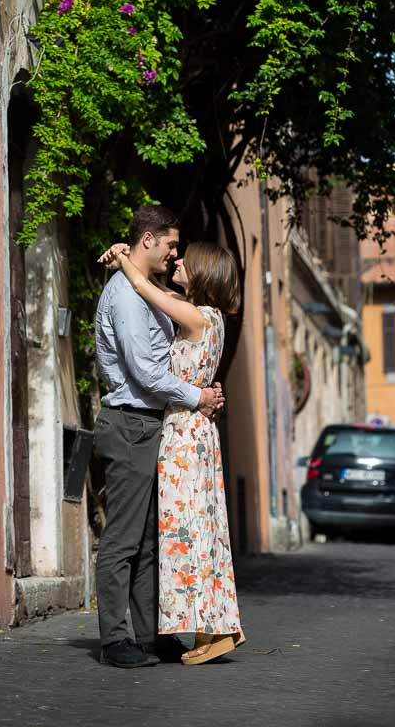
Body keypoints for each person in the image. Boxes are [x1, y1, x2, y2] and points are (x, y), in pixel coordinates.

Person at [100, 237, 245, 666]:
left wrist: (123, 259)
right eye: (174, 250)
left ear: (203, 274)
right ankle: (213, 625)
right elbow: (155, 290)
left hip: (183, 435)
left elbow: (146, 290)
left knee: (188, 533)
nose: (178, 260)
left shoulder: (198, 316)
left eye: (187, 259)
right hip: (191, 431)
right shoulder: (206, 316)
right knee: (198, 528)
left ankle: (213, 627)